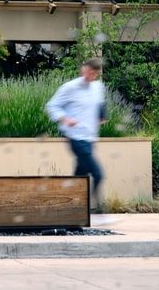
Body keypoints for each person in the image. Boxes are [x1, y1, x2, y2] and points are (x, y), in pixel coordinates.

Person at [45, 57, 107, 212]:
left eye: (92, 73)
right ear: (83, 68)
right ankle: (95, 209)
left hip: (90, 138)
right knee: (98, 174)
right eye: (87, 71)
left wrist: (102, 116)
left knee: (80, 176)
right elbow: (52, 105)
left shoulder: (97, 87)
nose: (88, 75)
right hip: (75, 137)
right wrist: (65, 119)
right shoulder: (70, 87)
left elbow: (100, 103)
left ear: (96, 74)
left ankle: (67, 207)